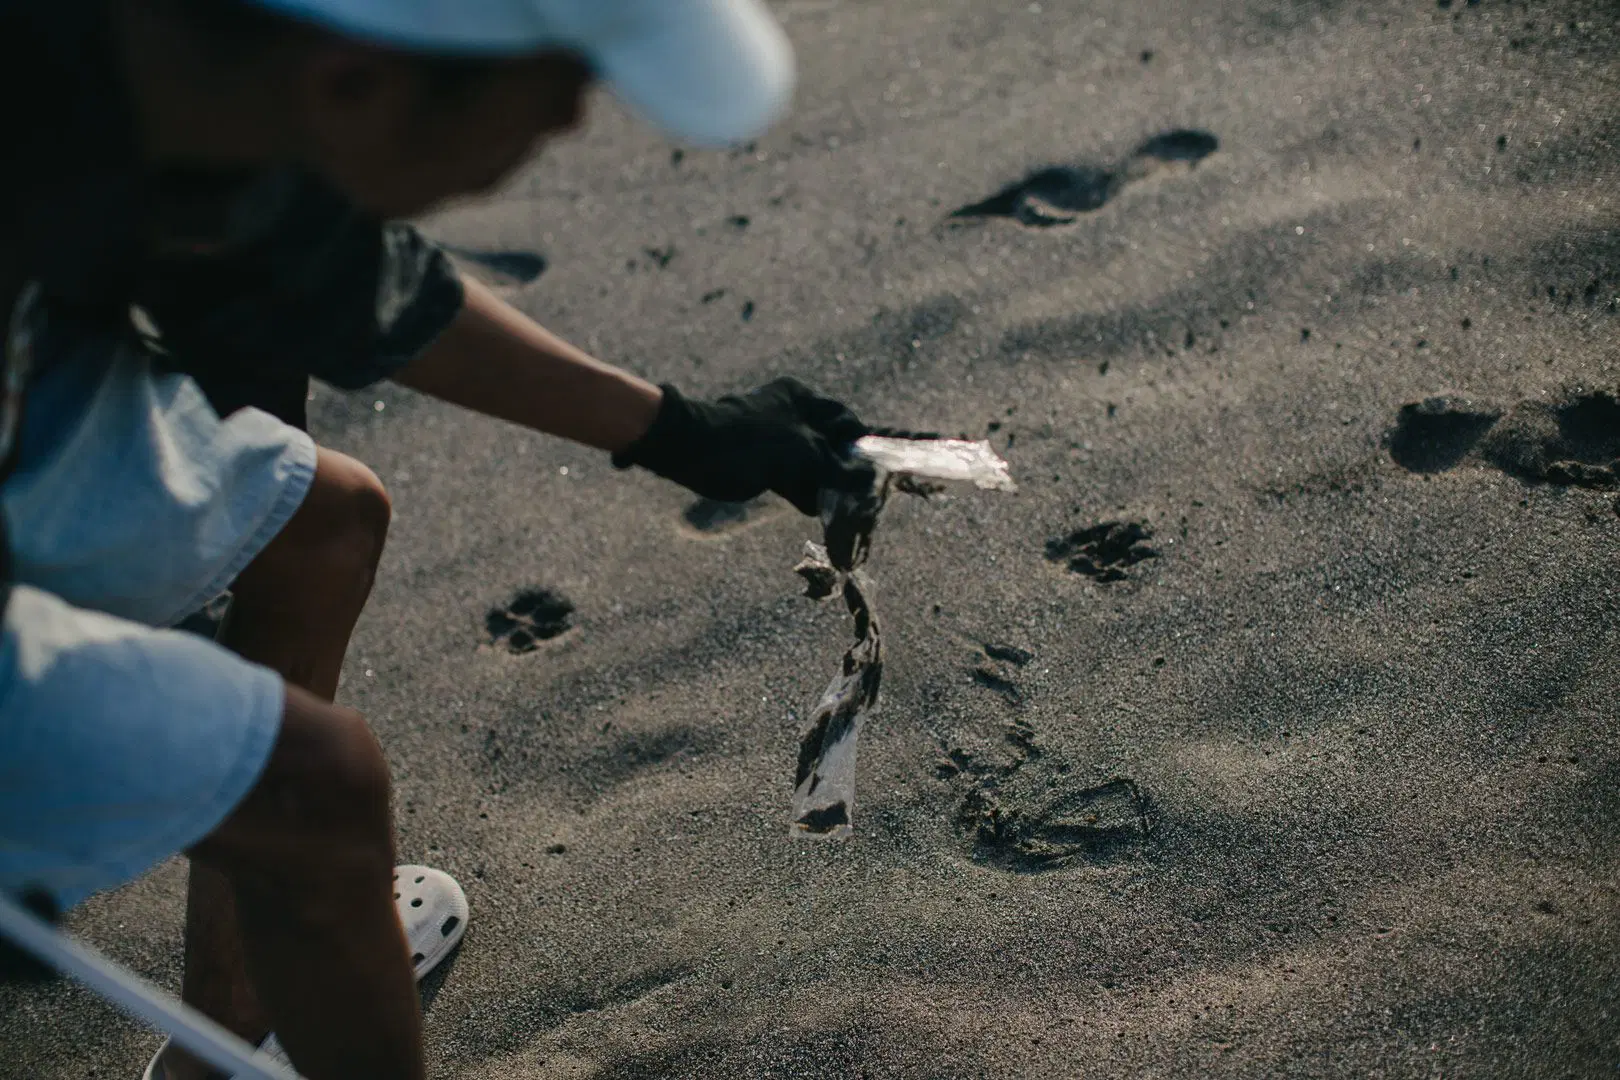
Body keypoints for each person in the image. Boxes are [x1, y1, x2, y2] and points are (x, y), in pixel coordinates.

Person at [0, 1, 874, 1077]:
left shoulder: (181, 83)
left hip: (34, 400)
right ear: (354, 85)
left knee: (319, 527)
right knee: (314, 790)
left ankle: (235, 1016)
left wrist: (687, 434)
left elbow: (340, 287)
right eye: (549, 85)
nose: (566, 118)